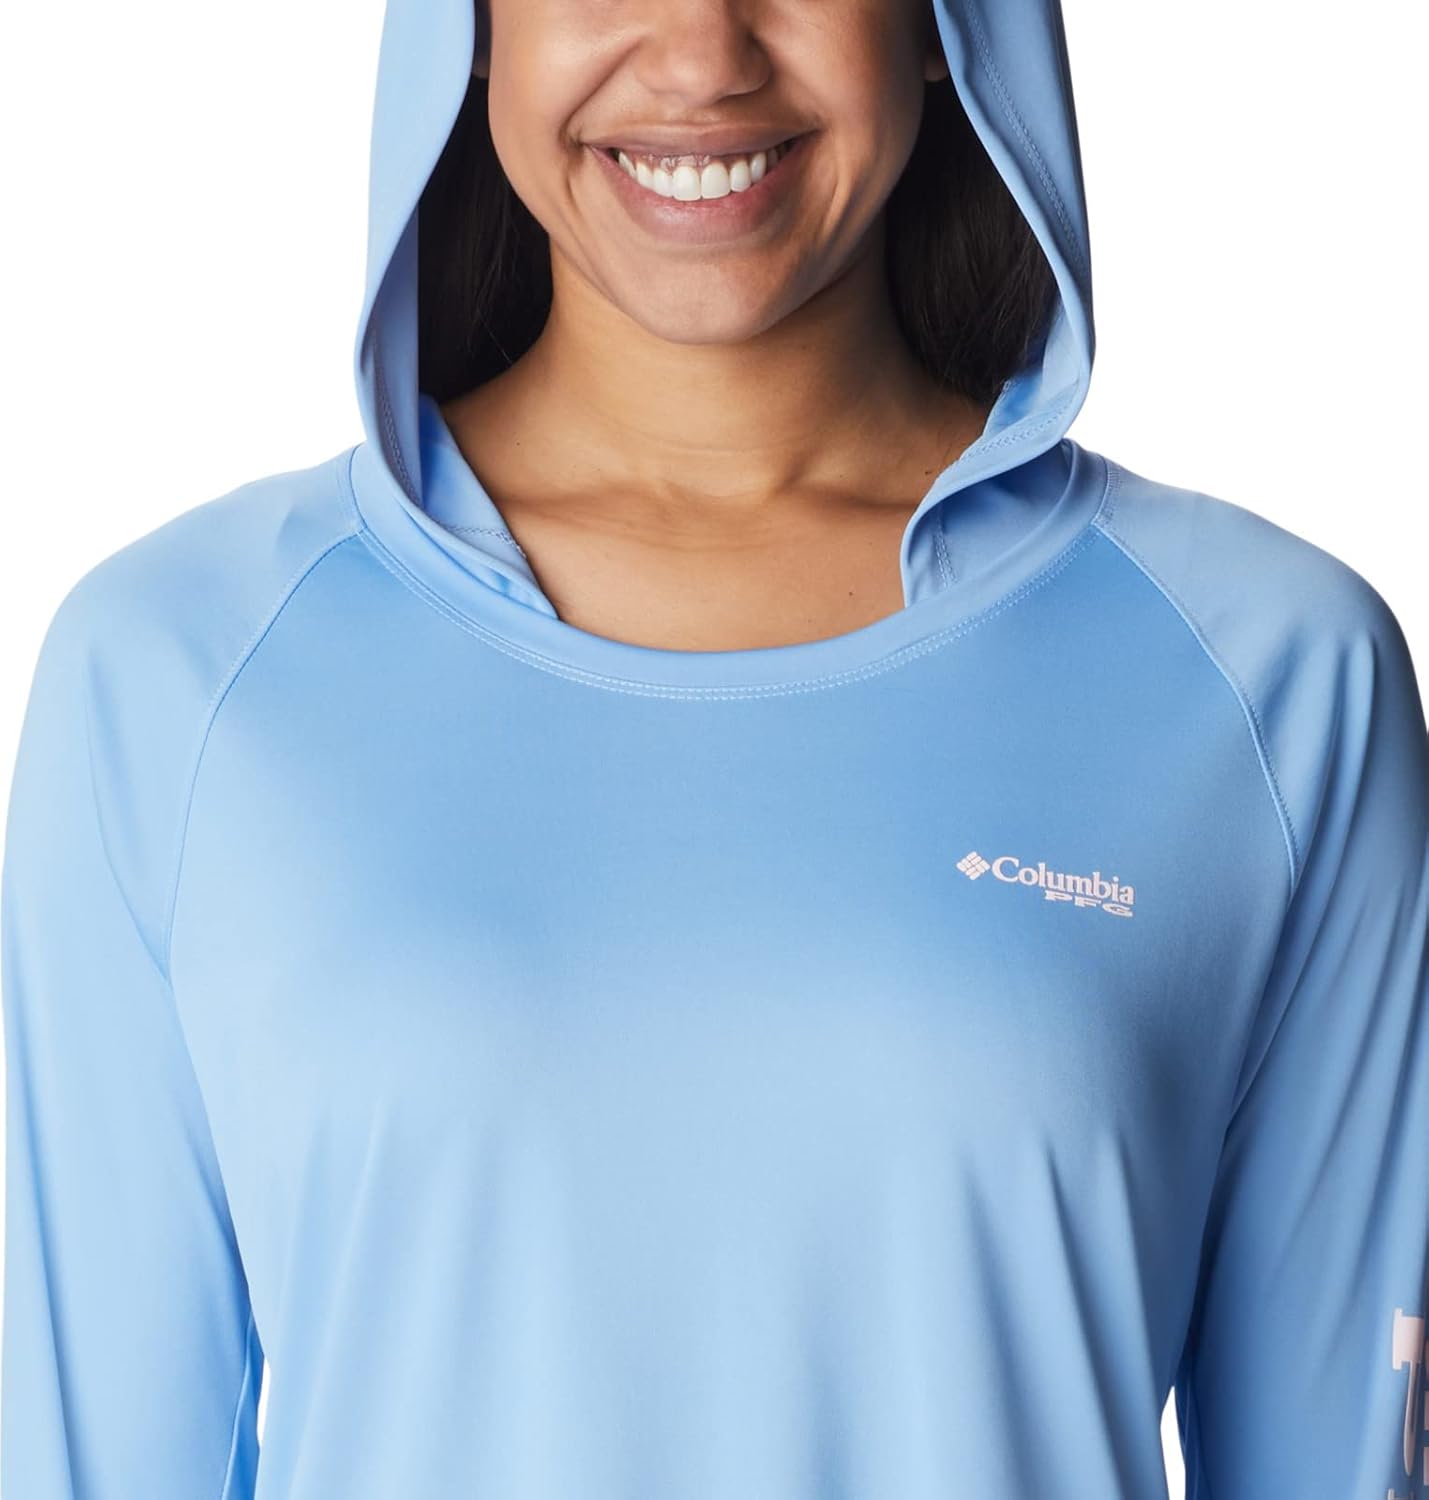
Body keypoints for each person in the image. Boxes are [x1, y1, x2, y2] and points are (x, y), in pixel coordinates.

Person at [2, 1, 1425, 1498]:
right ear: (470, 27)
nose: (701, 59)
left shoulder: (1272, 680)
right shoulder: (176, 672)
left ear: (946, 24)